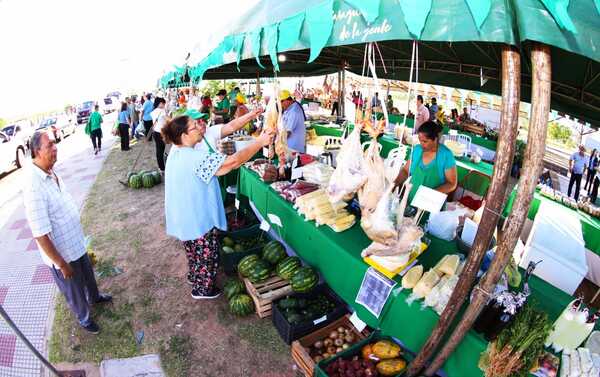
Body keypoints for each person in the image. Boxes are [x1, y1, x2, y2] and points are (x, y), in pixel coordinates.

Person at [162, 113, 274, 298]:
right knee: (207, 254)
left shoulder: (176, 150)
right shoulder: (194, 158)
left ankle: (195, 276)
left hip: (183, 215)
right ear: (183, 136)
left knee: (193, 250)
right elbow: (233, 162)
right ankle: (203, 289)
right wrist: (259, 142)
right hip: (196, 216)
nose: (199, 127)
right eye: (193, 127)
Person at [23, 131, 112, 334]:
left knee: (88, 275)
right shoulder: (33, 185)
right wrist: (62, 264)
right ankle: (84, 318)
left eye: (55, 144)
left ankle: (95, 297)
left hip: (75, 243)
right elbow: (40, 234)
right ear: (37, 151)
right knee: (74, 290)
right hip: (62, 255)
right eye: (50, 145)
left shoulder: (50, 171)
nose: (55, 148)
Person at [393, 121, 457, 202]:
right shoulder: (417, 150)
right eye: (420, 140)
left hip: (431, 203)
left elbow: (451, 183)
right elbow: (406, 171)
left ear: (435, 139)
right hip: (411, 200)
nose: (421, 144)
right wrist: (395, 184)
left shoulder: (446, 155)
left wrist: (429, 194)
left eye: (425, 141)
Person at [195, 107, 264, 153]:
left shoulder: (209, 131)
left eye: (203, 120)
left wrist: (252, 114)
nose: (203, 123)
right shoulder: (188, 149)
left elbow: (231, 126)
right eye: (198, 121)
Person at [151, 97, 168, 172]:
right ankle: (162, 168)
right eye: (163, 103)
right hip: (161, 133)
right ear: (160, 103)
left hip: (155, 132)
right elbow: (168, 119)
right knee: (161, 150)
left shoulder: (154, 111)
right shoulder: (161, 111)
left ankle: (161, 167)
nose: (164, 105)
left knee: (159, 150)